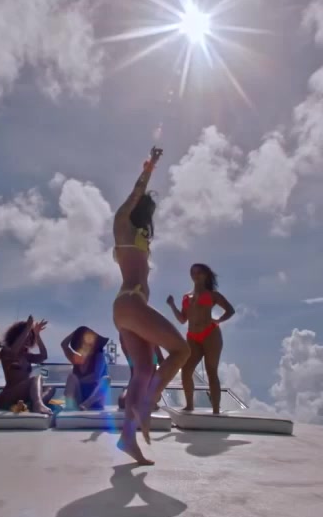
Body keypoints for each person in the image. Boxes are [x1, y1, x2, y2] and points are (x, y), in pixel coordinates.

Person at [111, 145, 190, 465]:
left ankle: (127, 438)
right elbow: (135, 193)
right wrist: (151, 166)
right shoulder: (122, 224)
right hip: (130, 302)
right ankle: (149, 402)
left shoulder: (139, 235)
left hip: (130, 307)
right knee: (182, 351)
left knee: (144, 369)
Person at [167, 263, 235, 414]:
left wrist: (219, 320)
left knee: (211, 371)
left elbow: (230, 310)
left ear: (206, 275)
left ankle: (216, 410)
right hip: (192, 336)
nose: (195, 275)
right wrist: (172, 305)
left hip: (210, 334)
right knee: (186, 370)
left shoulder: (213, 295)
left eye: (199, 272)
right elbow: (182, 319)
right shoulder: (186, 297)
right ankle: (189, 405)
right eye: (193, 272)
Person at [0, 316, 51, 413]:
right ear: (18, 335)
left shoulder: (27, 356)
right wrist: (28, 328)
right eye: (27, 335)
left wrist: (37, 335)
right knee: (36, 378)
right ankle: (37, 405)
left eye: (31, 336)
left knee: (50, 389)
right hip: (9, 395)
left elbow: (44, 356)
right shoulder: (6, 351)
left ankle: (31, 405)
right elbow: (13, 353)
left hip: (24, 394)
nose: (29, 338)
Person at [61, 326, 110, 410]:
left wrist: (80, 379)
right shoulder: (77, 359)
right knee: (71, 377)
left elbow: (95, 377)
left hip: (95, 400)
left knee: (106, 379)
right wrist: (75, 332)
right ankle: (69, 406)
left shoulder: (99, 356)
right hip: (80, 399)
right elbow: (64, 345)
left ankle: (86, 404)